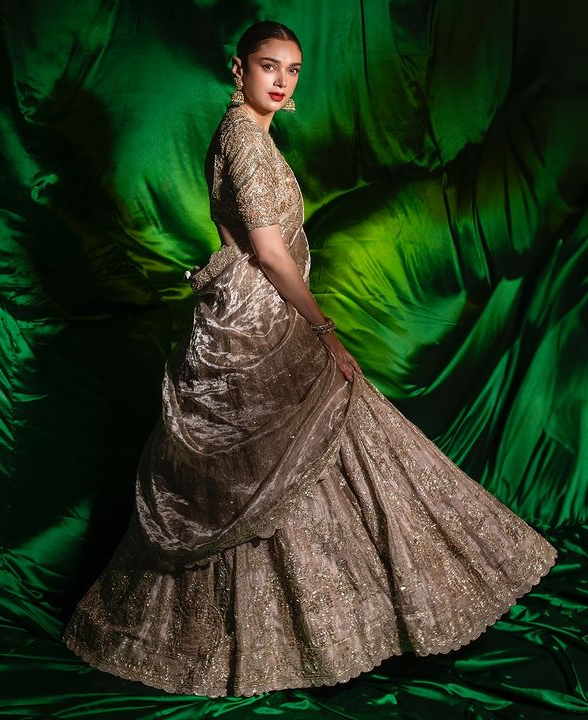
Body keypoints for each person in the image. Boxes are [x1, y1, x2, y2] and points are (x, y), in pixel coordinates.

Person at [62, 20, 557, 697]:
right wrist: (324, 329)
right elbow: (268, 251)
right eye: (269, 65)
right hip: (257, 316)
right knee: (272, 470)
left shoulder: (253, 134)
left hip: (262, 309)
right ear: (238, 68)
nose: (281, 79)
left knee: (300, 462)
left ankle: (349, 624)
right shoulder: (243, 137)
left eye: (292, 69)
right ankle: (307, 635)